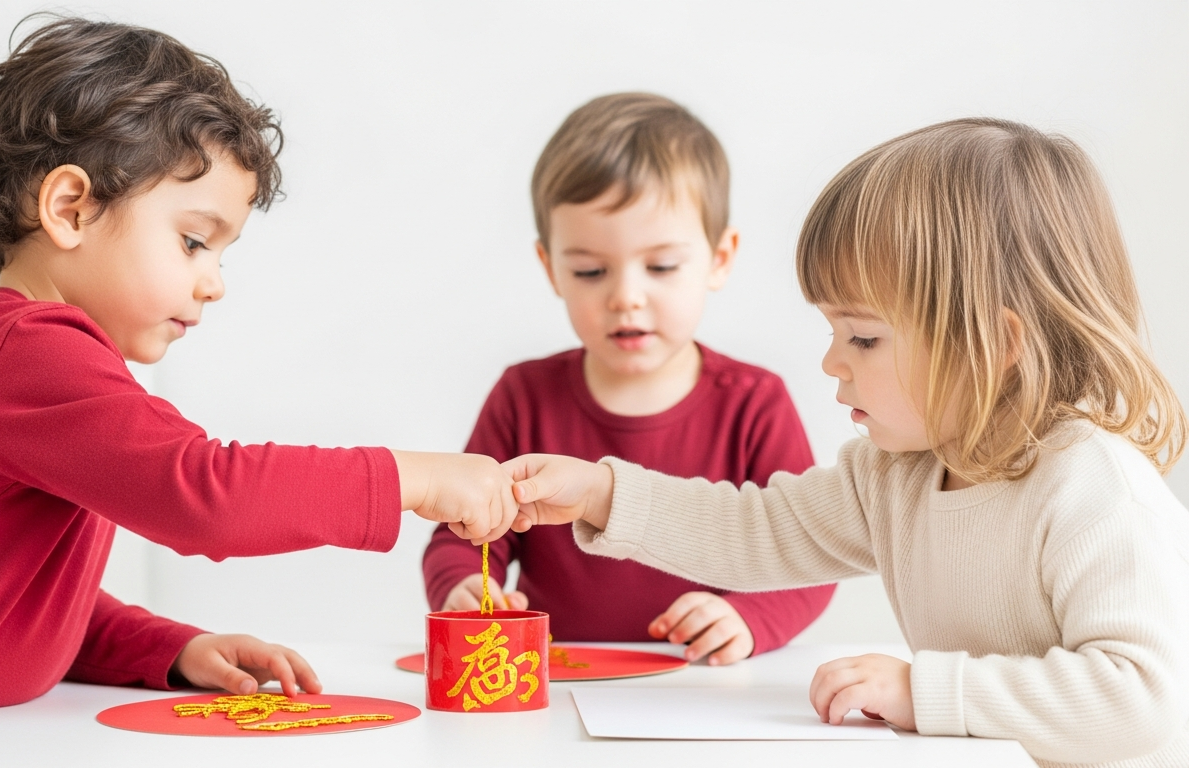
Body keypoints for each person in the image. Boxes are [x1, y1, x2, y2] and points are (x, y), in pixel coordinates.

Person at [0, 17, 516, 767]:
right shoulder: (28, 353)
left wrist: (174, 647)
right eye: (194, 242)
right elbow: (206, 495)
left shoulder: (38, 362)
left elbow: (10, 606)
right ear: (71, 208)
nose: (214, 282)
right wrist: (413, 478)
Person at [502, 118, 1189, 766]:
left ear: (996, 343)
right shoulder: (895, 475)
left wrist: (925, 691)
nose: (833, 361)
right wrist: (600, 494)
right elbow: (754, 530)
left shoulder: (1095, 490)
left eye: (863, 337)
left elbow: (1145, 697)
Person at [422, 93, 834, 663]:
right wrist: (465, 588)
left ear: (719, 257)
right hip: (561, 681)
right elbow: (458, 533)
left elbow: (811, 551)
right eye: (590, 271)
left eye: (662, 266)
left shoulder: (754, 402)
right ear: (551, 268)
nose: (625, 297)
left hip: (702, 682)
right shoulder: (524, 396)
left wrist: (749, 618)